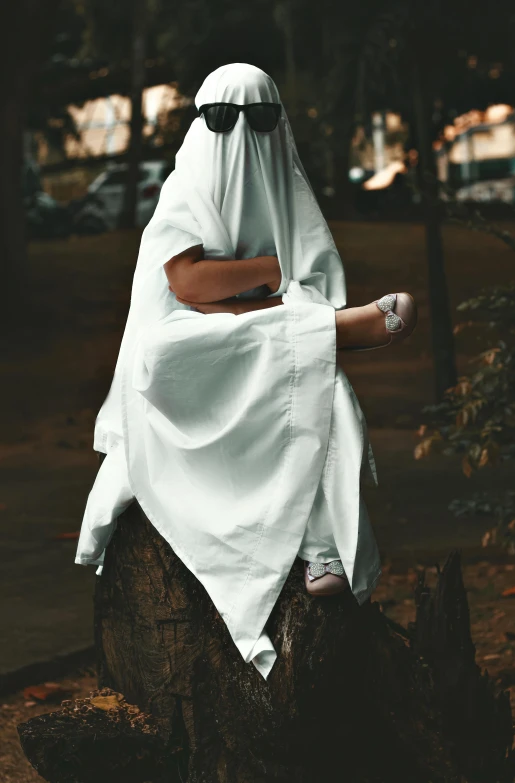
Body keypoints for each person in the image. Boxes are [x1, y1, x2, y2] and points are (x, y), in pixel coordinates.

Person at [75, 63, 417, 679]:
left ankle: (322, 548)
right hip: (200, 345)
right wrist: (269, 275)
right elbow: (185, 283)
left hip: (271, 337)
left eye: (258, 118)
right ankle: (344, 335)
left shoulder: (288, 192)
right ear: (202, 122)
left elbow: (310, 282)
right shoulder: (186, 189)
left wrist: (255, 301)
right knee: (172, 351)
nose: (239, 135)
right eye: (221, 119)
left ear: (276, 122)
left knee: (322, 386)